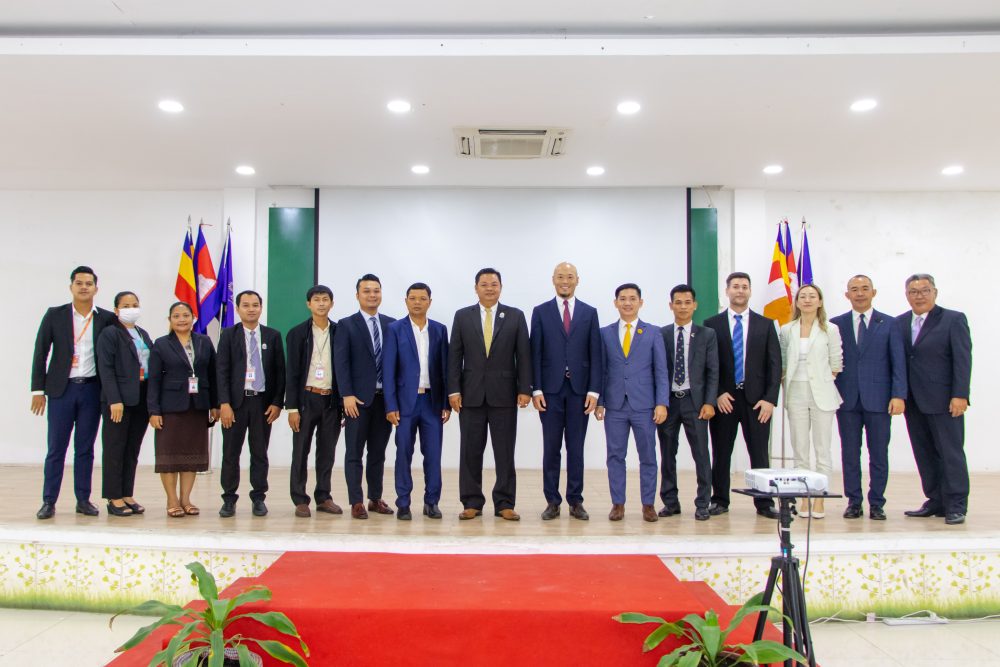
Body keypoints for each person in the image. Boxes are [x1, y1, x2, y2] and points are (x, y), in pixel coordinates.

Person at [31, 266, 117, 520]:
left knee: (85, 448)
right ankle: (49, 501)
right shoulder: (55, 315)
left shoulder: (106, 318)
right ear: (71, 287)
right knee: (56, 448)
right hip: (62, 390)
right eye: (79, 283)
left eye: (88, 283)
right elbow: (40, 352)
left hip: (92, 389)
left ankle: (83, 499)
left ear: (96, 289)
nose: (83, 287)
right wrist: (38, 390)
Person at [448, 268, 532, 521]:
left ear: (500, 287)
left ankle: (505, 502)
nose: (489, 288)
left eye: (494, 284)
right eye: (484, 284)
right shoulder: (462, 316)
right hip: (470, 395)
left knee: (504, 452)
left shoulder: (515, 316)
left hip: (504, 395)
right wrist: (454, 389)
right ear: (476, 288)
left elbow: (524, 355)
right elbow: (455, 356)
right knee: (470, 451)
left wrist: (525, 389)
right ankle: (471, 502)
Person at [704, 272, 782, 519]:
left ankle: (764, 502)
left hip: (757, 401)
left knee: (759, 453)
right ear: (727, 290)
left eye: (744, 287)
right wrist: (717, 394)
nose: (740, 290)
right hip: (724, 400)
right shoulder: (711, 324)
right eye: (735, 286)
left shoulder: (765, 324)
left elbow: (775, 365)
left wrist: (770, 399)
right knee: (721, 452)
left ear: (750, 291)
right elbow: (707, 364)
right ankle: (719, 500)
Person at [896, 274, 972, 525]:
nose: (919, 296)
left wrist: (960, 394)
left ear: (935, 293)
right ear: (907, 295)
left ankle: (956, 504)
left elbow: (962, 359)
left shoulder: (953, 319)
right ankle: (936, 500)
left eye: (924, 291)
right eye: (913, 292)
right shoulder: (899, 323)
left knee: (950, 453)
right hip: (913, 401)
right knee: (924, 453)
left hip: (944, 401)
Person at [529, 262, 602, 521]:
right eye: (560, 276)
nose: (565, 281)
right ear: (553, 279)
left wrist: (594, 391)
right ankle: (552, 501)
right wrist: (536, 388)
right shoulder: (540, 312)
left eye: (570, 277)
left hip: (580, 392)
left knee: (576, 449)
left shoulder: (589, 312)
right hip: (549, 392)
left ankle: (575, 500)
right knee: (551, 448)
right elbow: (535, 353)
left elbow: (596, 353)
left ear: (577, 280)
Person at [831, 275, 906, 521]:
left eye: (865, 289)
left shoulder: (890, 323)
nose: (860, 293)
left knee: (879, 454)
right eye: (854, 289)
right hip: (847, 400)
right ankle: (854, 501)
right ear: (847, 295)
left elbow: (898, 362)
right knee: (850, 454)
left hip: (880, 399)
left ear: (874, 292)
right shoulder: (836, 324)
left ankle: (877, 503)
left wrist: (898, 395)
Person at [595, 283, 669, 522]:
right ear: (615, 302)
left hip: (645, 406)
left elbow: (661, 371)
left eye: (632, 298)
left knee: (648, 456)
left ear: (640, 302)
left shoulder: (653, 332)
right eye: (623, 299)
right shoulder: (605, 333)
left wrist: (662, 402)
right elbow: (601, 370)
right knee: (615, 456)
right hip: (615, 405)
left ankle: (648, 504)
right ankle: (618, 504)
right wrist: (600, 402)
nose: (627, 303)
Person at [383, 283, 451, 520]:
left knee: (433, 455)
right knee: (403, 454)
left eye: (422, 298)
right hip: (404, 404)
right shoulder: (394, 329)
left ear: (430, 302)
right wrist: (391, 405)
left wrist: (446, 403)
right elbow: (388, 370)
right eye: (412, 298)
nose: (417, 302)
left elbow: (445, 369)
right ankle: (403, 503)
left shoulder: (440, 330)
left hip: (432, 402)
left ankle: (432, 502)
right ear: (406, 301)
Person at [216, 290, 286, 518]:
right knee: (230, 453)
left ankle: (258, 498)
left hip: (262, 404)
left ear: (261, 308)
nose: (251, 309)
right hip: (235, 405)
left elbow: (280, 372)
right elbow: (221, 371)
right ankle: (229, 499)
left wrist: (277, 403)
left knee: (259, 453)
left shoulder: (272, 336)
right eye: (245, 305)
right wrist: (224, 403)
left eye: (255, 305)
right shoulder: (228, 335)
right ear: (237, 309)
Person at [147, 302, 219, 518]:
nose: (181, 319)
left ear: (193, 318)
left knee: (191, 456)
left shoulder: (204, 341)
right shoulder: (161, 344)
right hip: (170, 408)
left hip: (197, 407)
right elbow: (154, 380)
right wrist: (153, 410)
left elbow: (213, 375)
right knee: (169, 457)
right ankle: (172, 500)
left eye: (186, 315)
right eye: (176, 316)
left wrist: (215, 404)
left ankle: (186, 499)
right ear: (170, 319)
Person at [334, 274, 397, 519]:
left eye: (376, 290)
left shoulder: (391, 325)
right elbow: (341, 363)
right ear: (357, 295)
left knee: (378, 453)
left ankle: (375, 498)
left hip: (384, 401)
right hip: (357, 402)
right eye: (367, 291)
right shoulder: (346, 325)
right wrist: (346, 395)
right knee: (354, 453)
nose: (372, 295)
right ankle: (356, 501)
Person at [779, 284, 843, 519]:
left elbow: (836, 363)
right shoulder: (787, 329)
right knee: (800, 449)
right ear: (796, 302)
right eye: (802, 296)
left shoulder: (830, 329)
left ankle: (820, 499)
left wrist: (822, 379)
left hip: (822, 393)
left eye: (812, 296)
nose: (807, 300)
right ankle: (803, 498)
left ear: (820, 301)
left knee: (822, 449)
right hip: (796, 391)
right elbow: (783, 362)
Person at [656, 285, 719, 521]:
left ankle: (703, 503)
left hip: (696, 403)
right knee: (667, 454)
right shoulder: (661, 334)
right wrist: (659, 402)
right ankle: (670, 502)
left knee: (701, 454)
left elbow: (713, 371)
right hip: (669, 402)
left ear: (695, 305)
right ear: (670, 305)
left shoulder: (707, 335)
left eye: (687, 302)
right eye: (678, 302)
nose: (683, 307)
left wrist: (710, 402)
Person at [285, 285, 344, 518]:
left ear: (332, 303)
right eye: (316, 300)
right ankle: (300, 499)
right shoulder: (297, 333)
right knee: (301, 451)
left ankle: (323, 496)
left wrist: (342, 404)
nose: (321, 303)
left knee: (327, 452)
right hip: (305, 400)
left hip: (331, 401)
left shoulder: (340, 332)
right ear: (308, 304)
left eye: (325, 299)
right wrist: (292, 407)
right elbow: (292, 373)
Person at [96, 291, 153, 517]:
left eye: (135, 304)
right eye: (126, 305)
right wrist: (114, 399)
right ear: (117, 310)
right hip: (119, 400)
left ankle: (127, 493)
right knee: (115, 449)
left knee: (132, 449)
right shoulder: (110, 333)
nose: (131, 309)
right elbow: (106, 369)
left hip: (141, 398)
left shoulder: (142, 333)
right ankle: (114, 497)